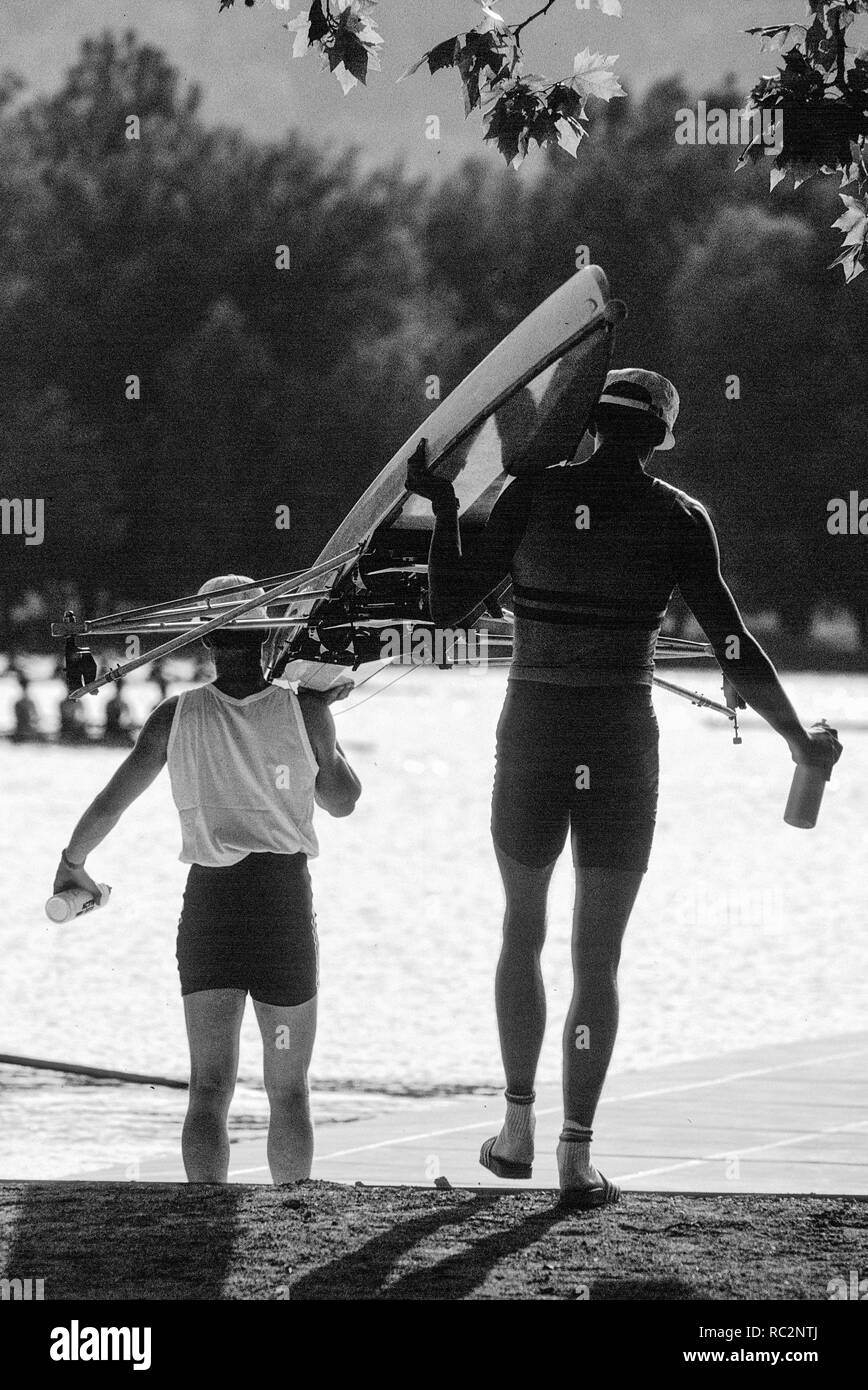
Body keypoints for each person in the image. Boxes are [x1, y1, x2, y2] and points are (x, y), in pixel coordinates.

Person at [406, 367, 842, 1208]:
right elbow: (734, 646)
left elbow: (448, 605)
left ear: (592, 425)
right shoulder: (678, 519)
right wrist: (796, 739)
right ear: (659, 439)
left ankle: (516, 1126)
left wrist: (447, 509)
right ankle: (576, 1155)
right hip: (618, 743)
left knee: (521, 930)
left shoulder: (530, 494)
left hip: (532, 730)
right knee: (595, 958)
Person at [51, 576, 360, 1184]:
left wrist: (72, 861)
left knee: (209, 1088)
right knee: (288, 1089)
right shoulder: (306, 708)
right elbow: (342, 801)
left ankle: (201, 1212)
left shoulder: (175, 715)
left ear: (207, 641)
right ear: (270, 634)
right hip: (282, 904)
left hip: (211, 906)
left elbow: (113, 803)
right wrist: (325, 736)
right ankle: (291, 1208)